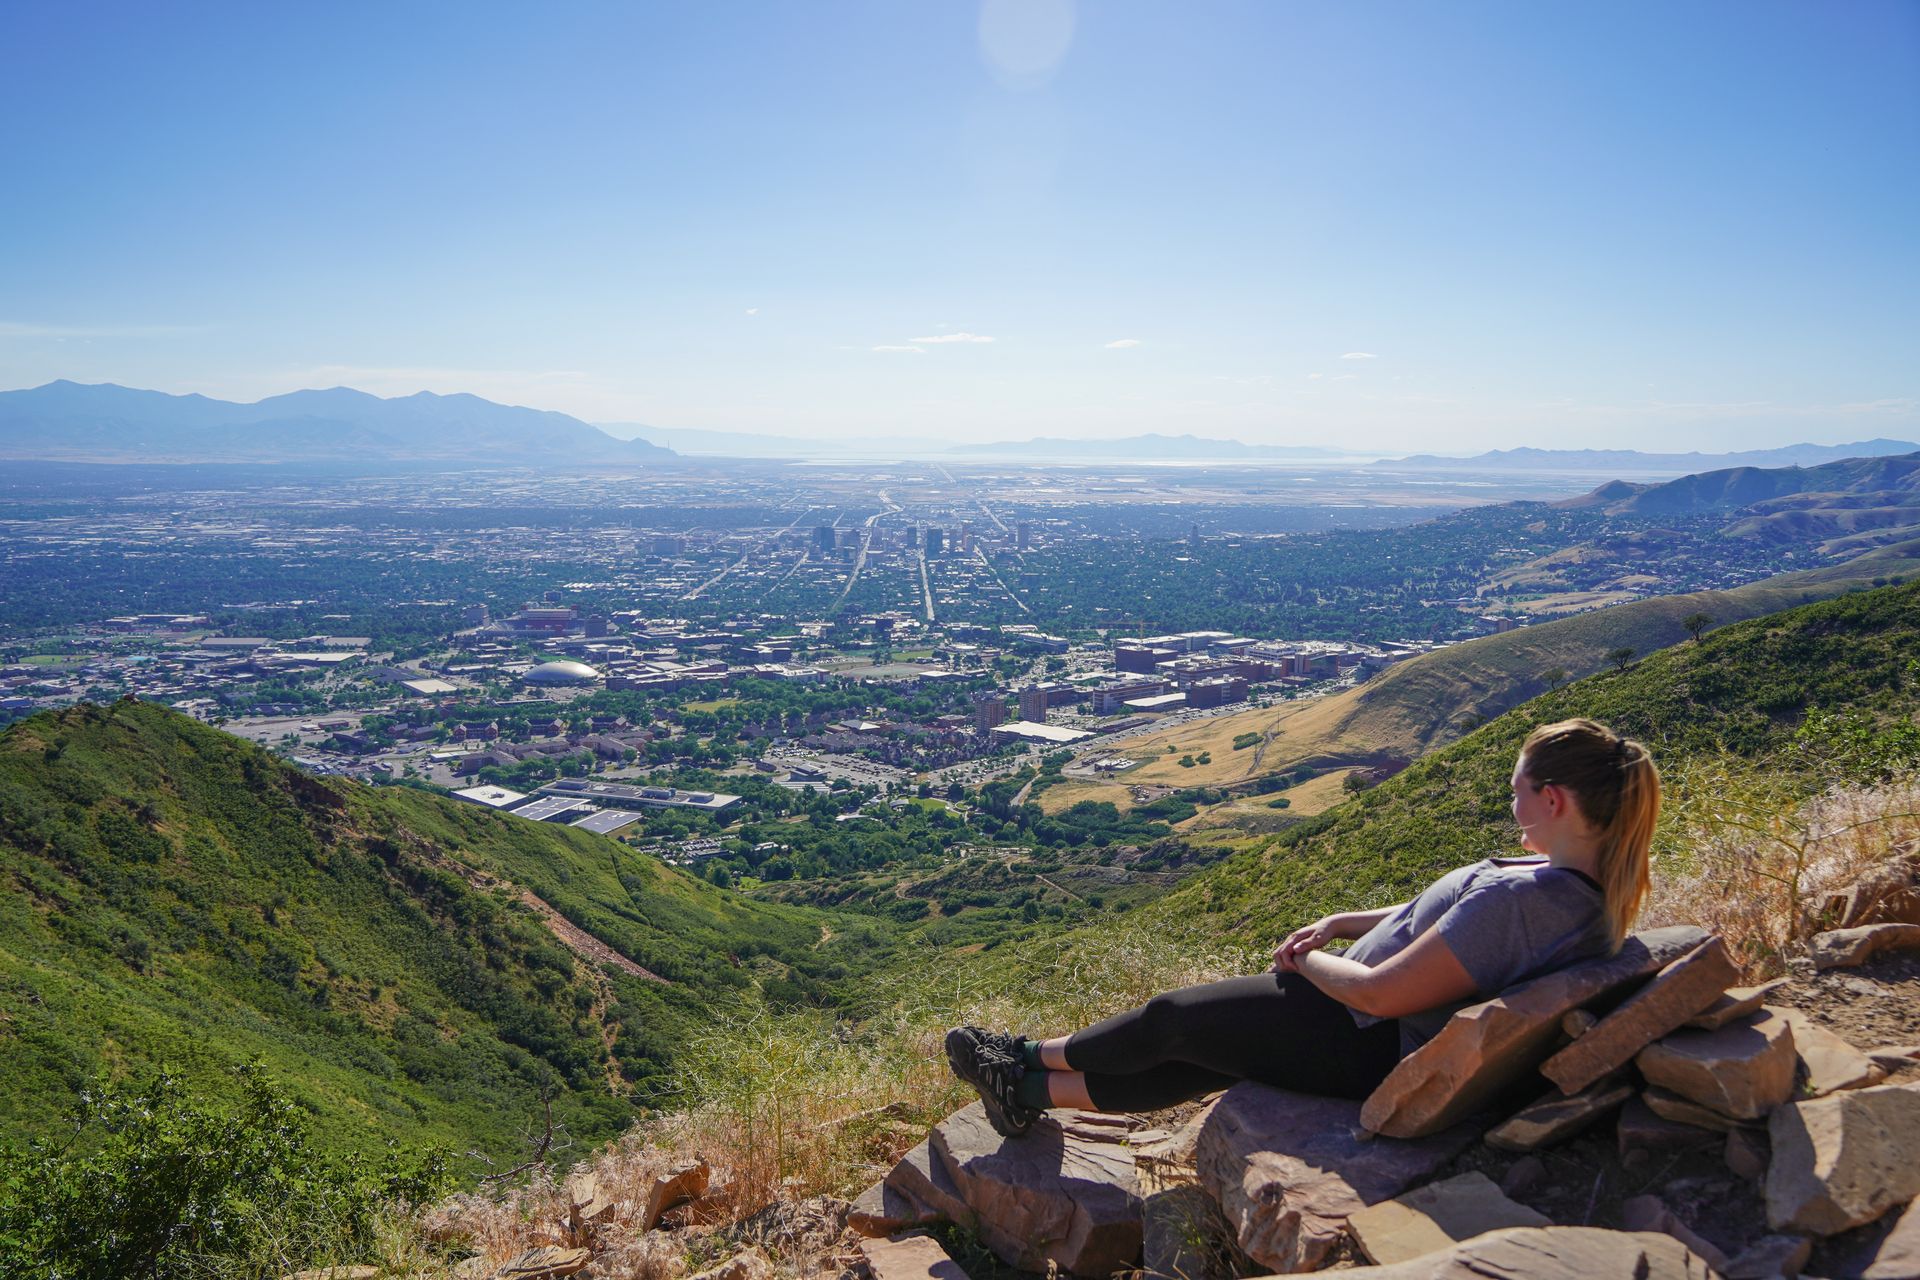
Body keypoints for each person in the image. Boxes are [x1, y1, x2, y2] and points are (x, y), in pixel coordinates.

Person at [944, 718, 1660, 1137]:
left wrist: (1303, 959)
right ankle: (1026, 1093)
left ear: (1555, 798)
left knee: (1173, 1021)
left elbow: (1382, 993)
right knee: (1199, 1056)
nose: (1511, 804)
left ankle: (1018, 1058)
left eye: (1517, 791)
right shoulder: (1562, 887)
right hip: (1351, 1019)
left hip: (1362, 1034)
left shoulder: (1531, 901)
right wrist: (1346, 921)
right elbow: (1438, 924)